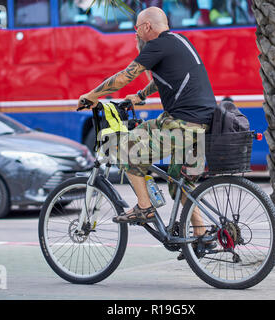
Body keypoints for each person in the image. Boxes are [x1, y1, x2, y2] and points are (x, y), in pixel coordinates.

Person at [77, 7, 216, 236]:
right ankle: (201, 233)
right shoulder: (178, 41)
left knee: (124, 147)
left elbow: (124, 76)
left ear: (147, 27)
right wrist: (141, 95)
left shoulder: (157, 45)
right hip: (199, 124)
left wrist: (91, 95)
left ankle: (145, 207)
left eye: (137, 29)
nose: (136, 33)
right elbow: (166, 77)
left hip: (182, 125)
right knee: (178, 181)